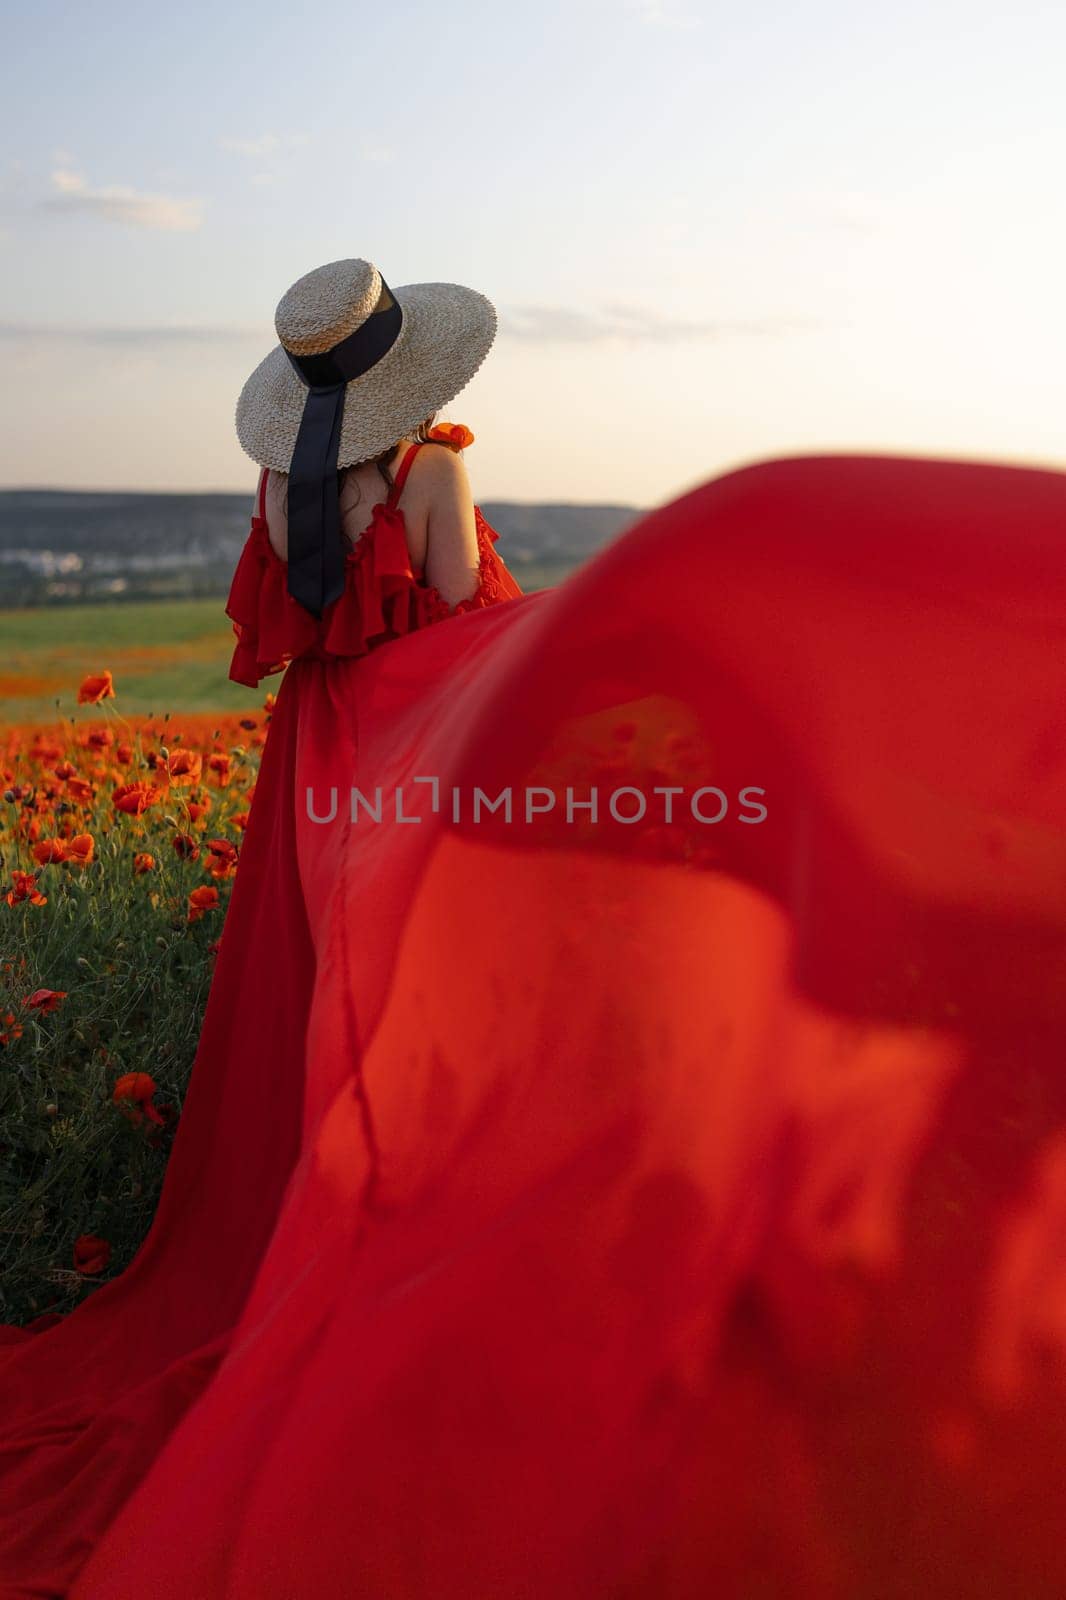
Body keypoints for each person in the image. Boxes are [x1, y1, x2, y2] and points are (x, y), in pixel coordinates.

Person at [1, 256, 1065, 1599]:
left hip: (323, 755)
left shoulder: (283, 489)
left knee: (339, 984)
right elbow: (465, 620)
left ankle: (329, 1222)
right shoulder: (433, 471)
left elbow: (293, 639)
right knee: (447, 967)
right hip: (420, 735)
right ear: (407, 374)